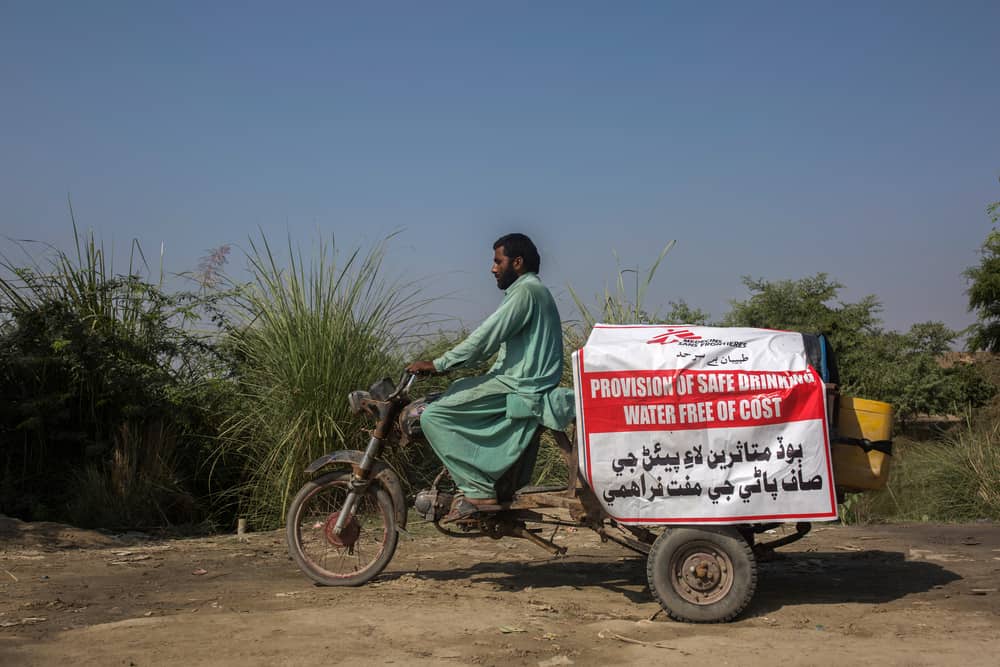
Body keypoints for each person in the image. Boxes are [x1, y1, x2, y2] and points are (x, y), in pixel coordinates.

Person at [406, 233, 574, 521]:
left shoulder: (526, 292)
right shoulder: (530, 291)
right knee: (456, 391)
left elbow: (486, 338)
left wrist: (439, 364)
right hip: (520, 379)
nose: (493, 268)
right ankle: (493, 479)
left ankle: (477, 488)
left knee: (433, 416)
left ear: (517, 262)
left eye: (498, 261)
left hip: (521, 383)